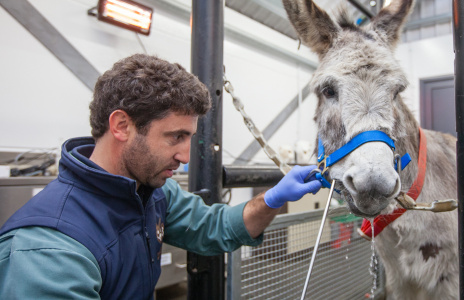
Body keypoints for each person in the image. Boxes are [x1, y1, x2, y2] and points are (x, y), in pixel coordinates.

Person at [0, 54, 322, 299]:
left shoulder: (152, 192)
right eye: (175, 137)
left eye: (189, 139)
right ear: (122, 126)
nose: (184, 157)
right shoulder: (50, 251)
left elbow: (215, 227)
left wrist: (273, 198)